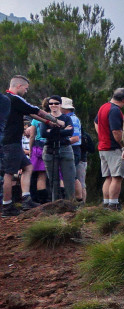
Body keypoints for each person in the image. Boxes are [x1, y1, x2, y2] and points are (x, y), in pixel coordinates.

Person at [2, 77, 62, 216]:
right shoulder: (15, 99)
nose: (26, 91)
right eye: (26, 88)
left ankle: (26, 199)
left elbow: (29, 113)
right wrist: (54, 120)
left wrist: (47, 122)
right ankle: (6, 206)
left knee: (28, 167)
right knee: (9, 173)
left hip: (10, 140)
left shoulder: (6, 99)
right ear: (18, 86)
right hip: (11, 142)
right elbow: (36, 110)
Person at [95, 88, 124, 209]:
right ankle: (113, 204)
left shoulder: (103, 107)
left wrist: (102, 135)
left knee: (108, 177)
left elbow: (96, 122)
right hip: (113, 148)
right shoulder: (115, 110)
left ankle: (106, 202)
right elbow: (116, 132)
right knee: (117, 177)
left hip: (103, 147)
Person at [41, 96, 77, 203]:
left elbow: (70, 132)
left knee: (69, 179)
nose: (53, 105)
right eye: (51, 104)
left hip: (65, 148)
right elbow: (43, 133)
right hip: (50, 150)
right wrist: (62, 129)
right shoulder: (45, 118)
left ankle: (71, 203)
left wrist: (51, 131)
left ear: (60, 104)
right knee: (53, 180)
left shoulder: (66, 118)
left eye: (56, 103)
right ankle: (55, 204)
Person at [61, 98, 86, 202]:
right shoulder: (68, 118)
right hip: (71, 148)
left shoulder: (72, 119)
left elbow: (75, 138)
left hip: (73, 149)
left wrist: (60, 142)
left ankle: (78, 200)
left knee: (71, 175)